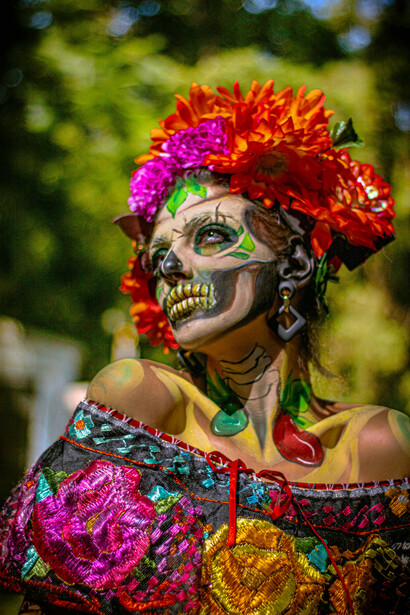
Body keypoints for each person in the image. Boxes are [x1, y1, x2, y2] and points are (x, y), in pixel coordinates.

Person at [1, 80, 409, 614]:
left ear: (296, 264)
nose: (169, 267)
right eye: (158, 255)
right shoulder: (144, 401)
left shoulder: (381, 446)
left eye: (210, 236)